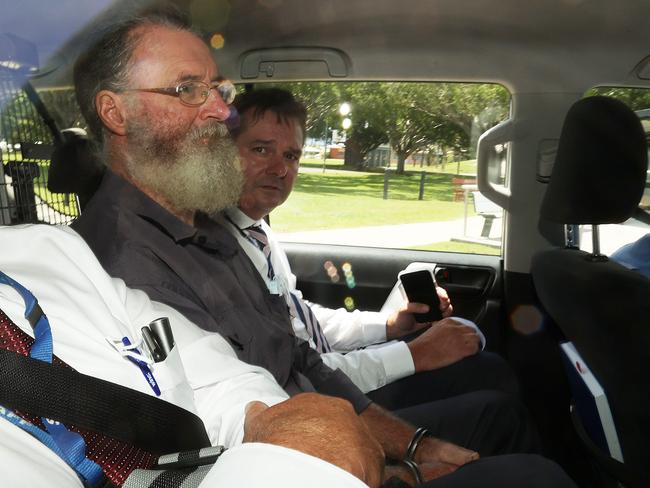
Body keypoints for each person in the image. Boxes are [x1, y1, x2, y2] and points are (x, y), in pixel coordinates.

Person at [71, 11, 577, 487]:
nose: (219, 110)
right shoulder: (121, 260)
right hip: (295, 459)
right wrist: (400, 455)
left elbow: (297, 356)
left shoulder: (204, 227)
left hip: (316, 426)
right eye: (187, 90)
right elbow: (233, 421)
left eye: (216, 89)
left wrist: (412, 440)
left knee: (500, 406)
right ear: (116, 112)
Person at [0, 224, 382, 487]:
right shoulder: (135, 248)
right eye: (262, 148)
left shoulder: (51, 253)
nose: (220, 111)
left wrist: (277, 427)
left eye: (293, 154)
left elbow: (229, 378)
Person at [225, 87, 517, 407]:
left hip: (331, 376)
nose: (280, 169)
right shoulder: (219, 253)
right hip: (317, 402)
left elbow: (303, 320)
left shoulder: (258, 233)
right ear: (222, 155)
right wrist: (413, 355)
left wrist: (390, 327)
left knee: (478, 355)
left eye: (291, 156)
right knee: (492, 388)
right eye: (261, 150)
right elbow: (291, 373)